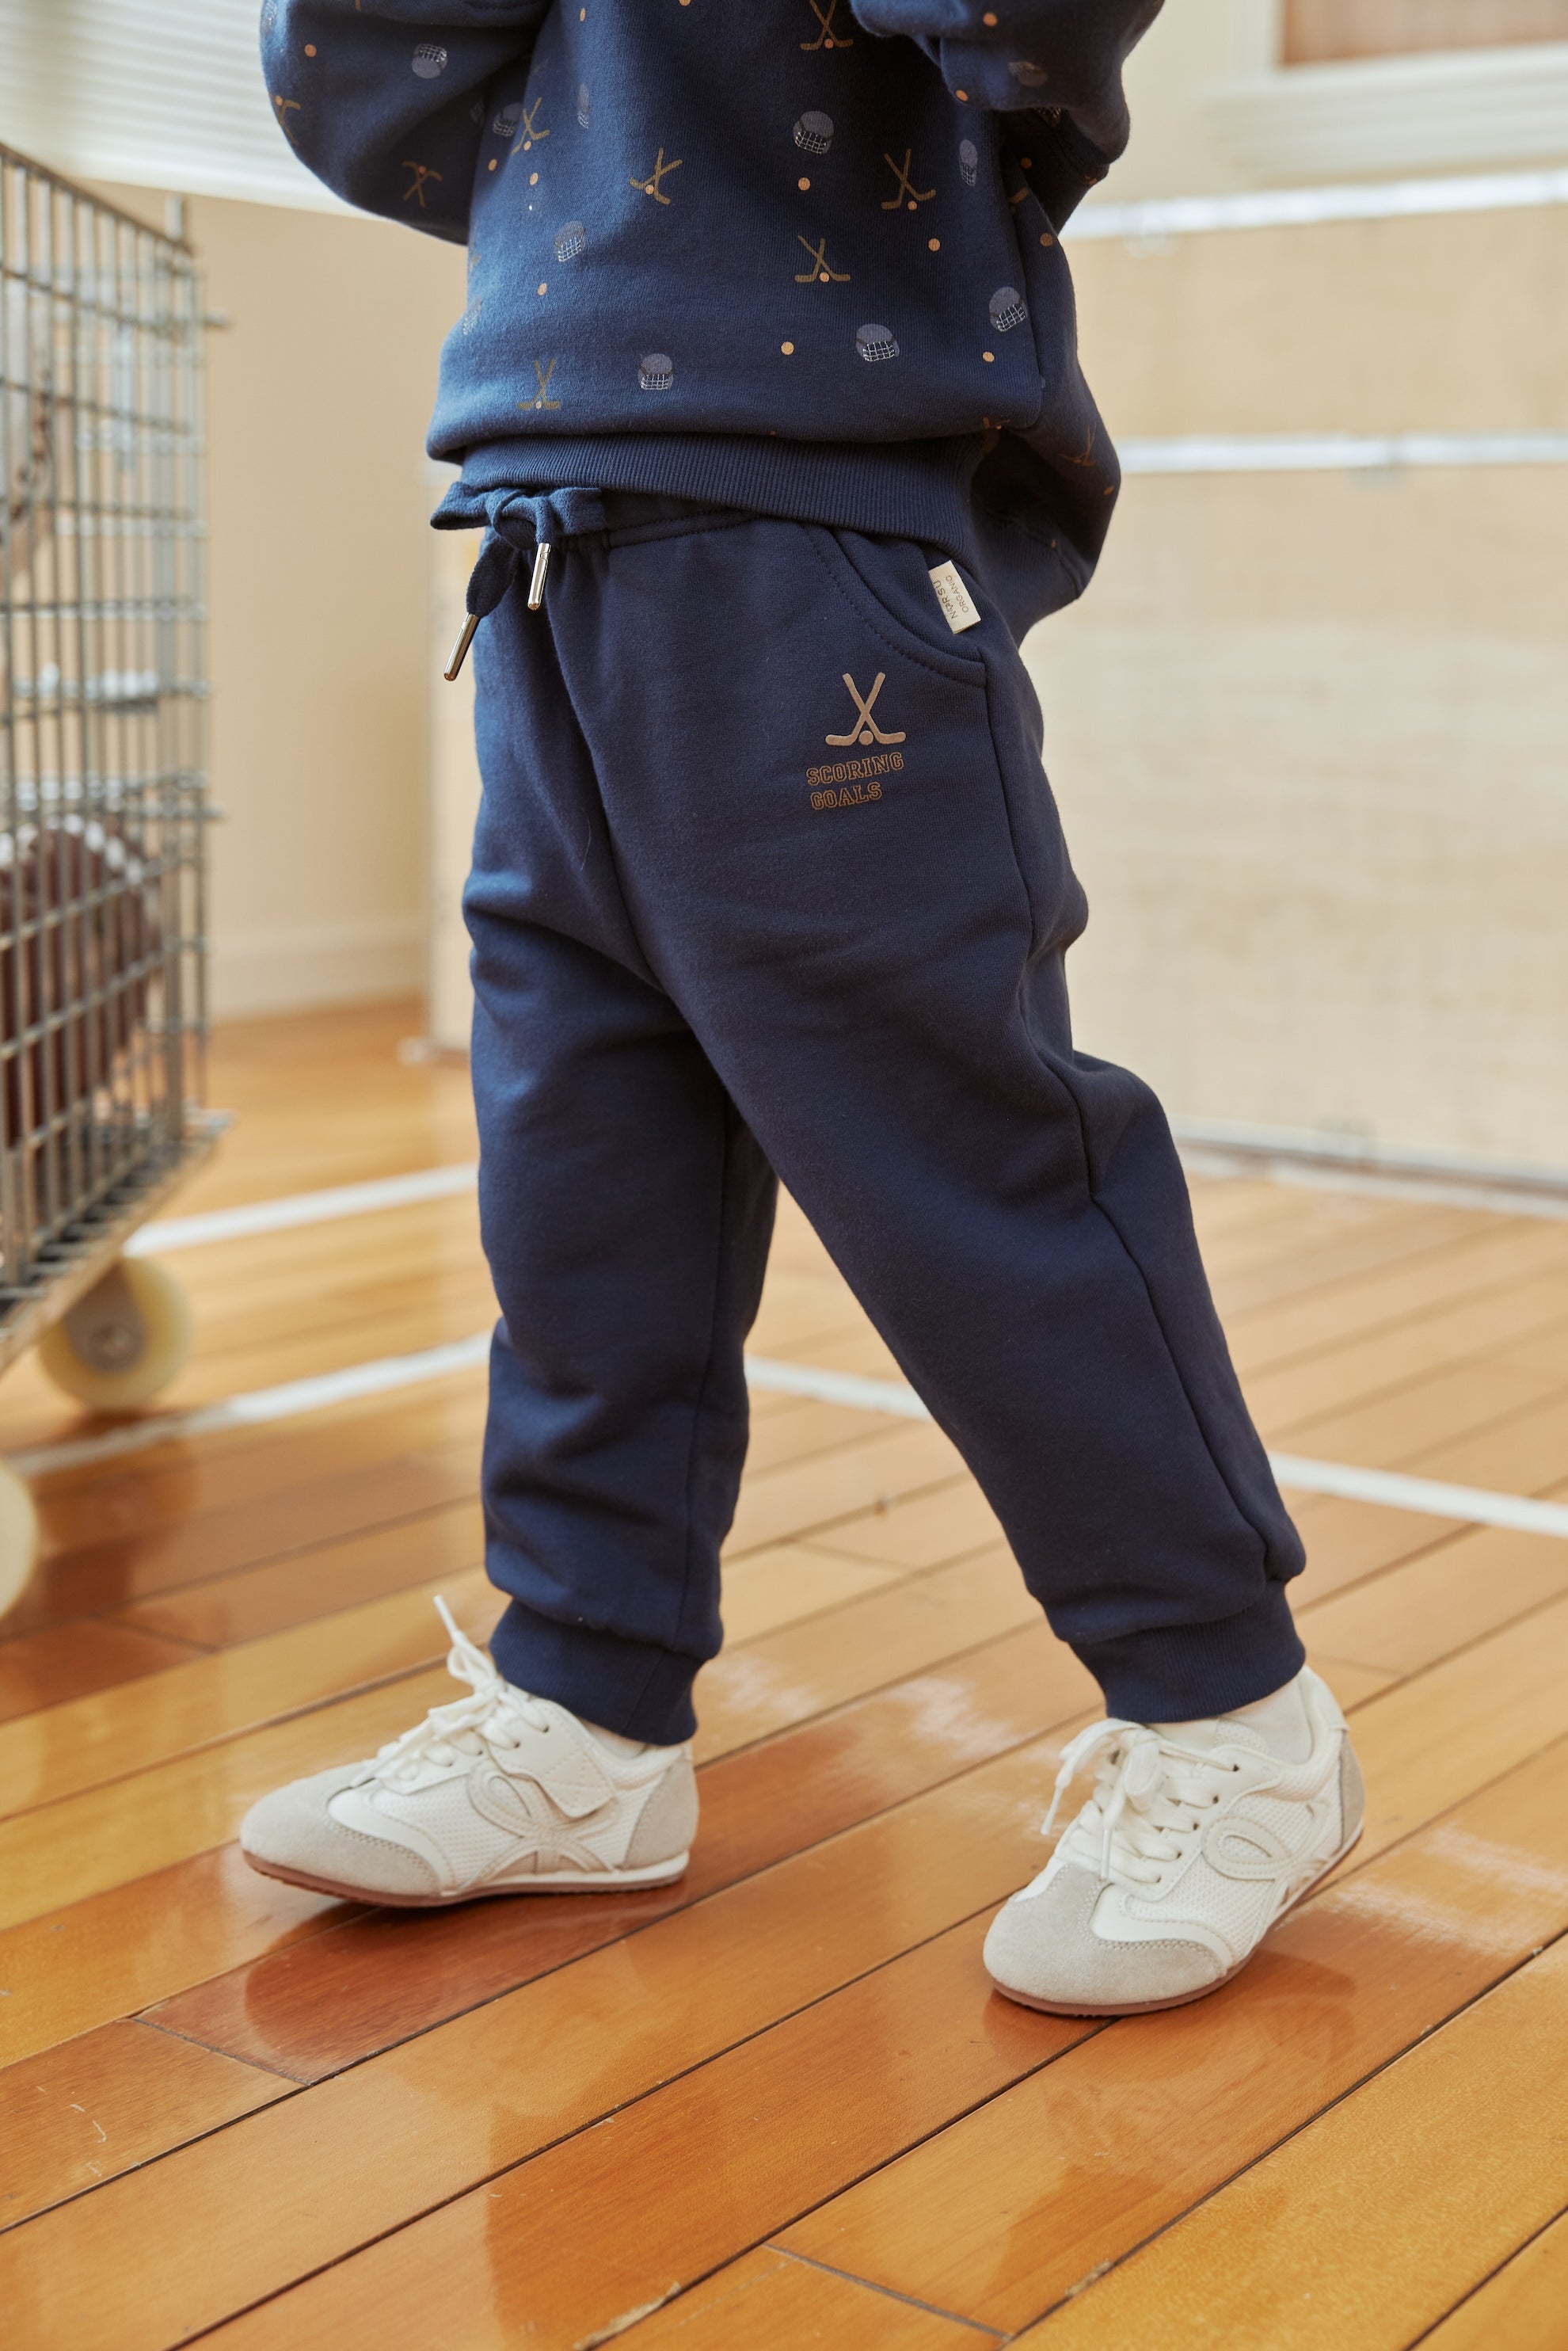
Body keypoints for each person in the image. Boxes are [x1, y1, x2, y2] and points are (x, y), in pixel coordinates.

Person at [241, 0, 1364, 2018]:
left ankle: (1230, 1711)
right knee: (586, 1175)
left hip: (816, 522)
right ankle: (587, 1706)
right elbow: (354, 85)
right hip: (535, 520)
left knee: (965, 1157)